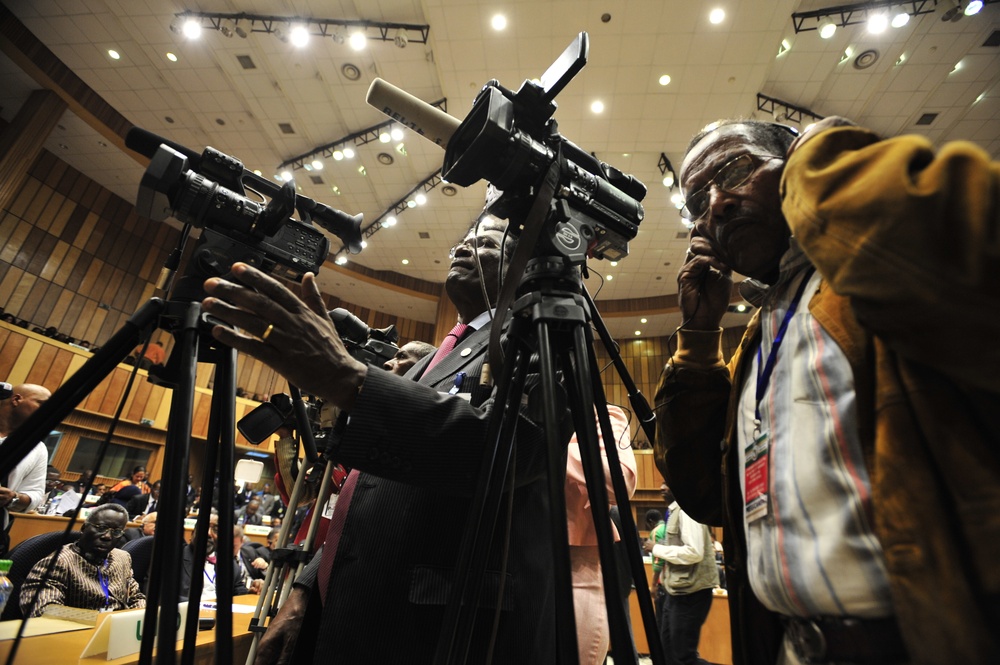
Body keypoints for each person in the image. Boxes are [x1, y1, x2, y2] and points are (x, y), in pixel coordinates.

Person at [653, 117, 1000, 665]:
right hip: (788, 646)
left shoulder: (869, 282)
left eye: (737, 170)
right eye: (698, 200)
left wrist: (818, 159)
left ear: (791, 166)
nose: (716, 205)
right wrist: (697, 339)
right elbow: (705, 495)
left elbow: (973, 271)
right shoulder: (756, 341)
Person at [204, 218, 563, 664]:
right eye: (463, 239)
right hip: (351, 606)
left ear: (522, 267)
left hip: (436, 630)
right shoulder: (428, 362)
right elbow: (365, 490)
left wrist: (347, 377)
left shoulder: (538, 337)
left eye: (485, 242)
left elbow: (508, 453)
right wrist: (306, 589)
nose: (463, 247)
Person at [566, 405, 636, 664]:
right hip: (511, 558)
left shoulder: (602, 415)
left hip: (578, 565)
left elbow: (620, 480)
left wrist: (547, 444)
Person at [19, 504, 145, 617]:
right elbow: (44, 611)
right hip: (75, 634)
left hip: (118, 633)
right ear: (84, 528)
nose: (107, 536)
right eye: (101, 528)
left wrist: (142, 617)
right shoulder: (58, 562)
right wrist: (101, 620)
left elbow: (135, 597)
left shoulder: (122, 557)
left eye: (116, 532)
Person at [644, 486, 719, 665]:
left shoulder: (687, 511)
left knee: (683, 657)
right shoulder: (673, 511)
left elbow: (694, 552)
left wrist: (657, 549)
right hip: (675, 592)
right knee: (667, 652)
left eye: (667, 482)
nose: (662, 487)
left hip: (691, 593)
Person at [0, 383, 52, 556]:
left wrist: (13, 498)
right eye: (42, 404)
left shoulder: (37, 448)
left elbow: (35, 494)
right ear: (16, 400)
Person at [179, 514, 263, 601]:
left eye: (215, 530)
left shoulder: (229, 564)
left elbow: (238, 592)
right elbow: (167, 594)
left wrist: (252, 591)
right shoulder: (176, 558)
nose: (208, 533)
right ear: (193, 533)